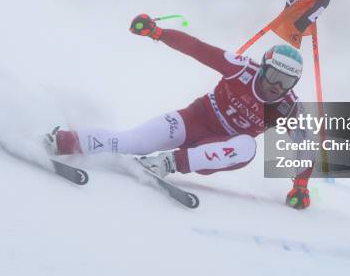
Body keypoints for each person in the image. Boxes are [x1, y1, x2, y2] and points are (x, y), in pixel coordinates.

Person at [45, 14, 315, 209]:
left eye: (286, 82)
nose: (276, 86)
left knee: (248, 146)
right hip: (193, 119)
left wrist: (300, 187)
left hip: (216, 148)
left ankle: (167, 163)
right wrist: (157, 33)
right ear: (264, 68)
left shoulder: (287, 106)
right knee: (133, 142)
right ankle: (61, 141)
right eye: (273, 76)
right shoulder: (242, 70)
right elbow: (197, 48)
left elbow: (306, 145)